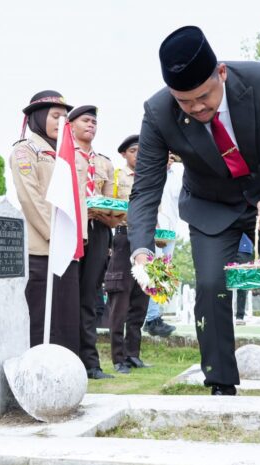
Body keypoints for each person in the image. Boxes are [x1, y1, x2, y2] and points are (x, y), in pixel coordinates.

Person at [128, 26, 260, 397]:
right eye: (185, 102)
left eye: (204, 97)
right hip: (210, 204)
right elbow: (145, 189)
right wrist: (141, 250)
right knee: (210, 287)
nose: (197, 109)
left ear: (220, 73)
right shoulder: (158, 112)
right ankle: (221, 383)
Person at [9, 90, 82, 353]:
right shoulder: (25, 151)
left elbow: (76, 200)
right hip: (42, 247)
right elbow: (31, 198)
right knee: (41, 316)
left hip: (67, 247)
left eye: (65, 117)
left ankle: (65, 370)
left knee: (66, 316)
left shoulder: (67, 154)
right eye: (55, 116)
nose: (61, 121)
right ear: (38, 117)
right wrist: (56, 235)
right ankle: (37, 371)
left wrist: (75, 237)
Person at [69, 105, 119, 379]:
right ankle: (68, 356)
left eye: (94, 122)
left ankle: (91, 363)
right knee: (67, 294)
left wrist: (114, 216)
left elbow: (111, 198)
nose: (91, 125)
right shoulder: (62, 156)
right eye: (85, 121)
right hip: (71, 228)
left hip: (98, 228)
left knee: (90, 295)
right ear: (72, 125)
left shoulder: (105, 162)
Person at [106, 135, 151, 374]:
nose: (139, 154)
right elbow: (107, 206)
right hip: (124, 236)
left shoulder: (151, 177)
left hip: (148, 240)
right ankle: (118, 357)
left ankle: (133, 353)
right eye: (134, 150)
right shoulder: (117, 176)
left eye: (142, 150)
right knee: (120, 299)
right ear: (124, 154)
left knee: (141, 298)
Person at [142, 153, 181, 337]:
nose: (170, 158)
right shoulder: (149, 170)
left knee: (163, 274)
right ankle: (151, 319)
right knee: (153, 274)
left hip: (170, 230)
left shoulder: (176, 174)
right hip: (152, 229)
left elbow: (180, 196)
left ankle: (154, 316)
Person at [234, 233, 253, 325]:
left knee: (242, 283)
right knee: (221, 281)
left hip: (243, 248)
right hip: (224, 245)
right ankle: (222, 314)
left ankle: (240, 316)